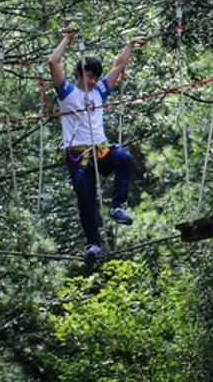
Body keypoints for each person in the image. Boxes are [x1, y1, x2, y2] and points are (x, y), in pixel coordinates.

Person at [46, 25, 148, 258]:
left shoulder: (99, 92)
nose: (93, 81)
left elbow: (118, 65)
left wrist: (129, 44)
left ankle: (117, 206)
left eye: (95, 77)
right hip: (79, 156)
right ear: (79, 75)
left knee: (124, 158)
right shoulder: (66, 92)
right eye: (89, 76)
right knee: (86, 198)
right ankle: (93, 244)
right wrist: (66, 39)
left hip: (101, 151)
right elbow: (53, 63)